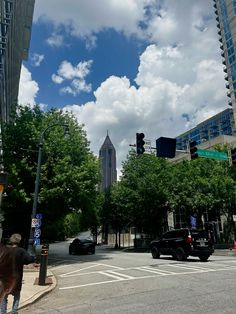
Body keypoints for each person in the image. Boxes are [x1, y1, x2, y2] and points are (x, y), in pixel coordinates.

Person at [0, 234, 35, 314]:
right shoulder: (21, 251)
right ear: (19, 241)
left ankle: (2, 312)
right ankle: (14, 311)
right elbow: (29, 260)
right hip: (16, 278)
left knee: (4, 296)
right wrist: (33, 257)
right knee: (16, 296)